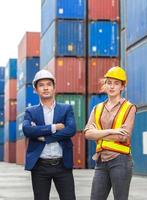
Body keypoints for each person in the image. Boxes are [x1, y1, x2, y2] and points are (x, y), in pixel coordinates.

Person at [22, 69, 77, 200]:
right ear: (35, 89)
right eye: (41, 85)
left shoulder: (66, 109)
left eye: (48, 84)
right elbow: (27, 130)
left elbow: (71, 130)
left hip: (63, 164)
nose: (45, 88)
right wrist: (54, 127)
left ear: (54, 87)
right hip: (40, 166)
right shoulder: (30, 111)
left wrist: (44, 137)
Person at [84, 66, 136, 200]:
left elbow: (123, 136)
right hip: (101, 161)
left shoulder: (129, 108)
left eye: (116, 83)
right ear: (105, 85)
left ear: (122, 87)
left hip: (121, 161)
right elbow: (87, 133)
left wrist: (98, 133)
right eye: (109, 82)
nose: (112, 86)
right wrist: (111, 131)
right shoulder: (97, 108)